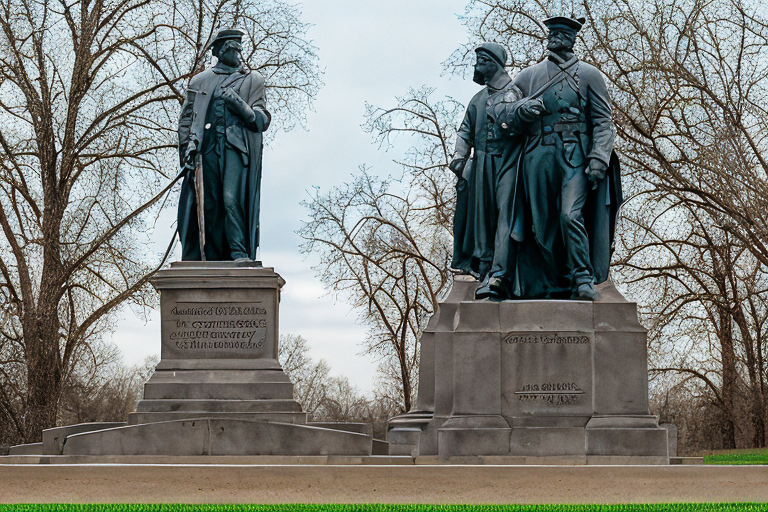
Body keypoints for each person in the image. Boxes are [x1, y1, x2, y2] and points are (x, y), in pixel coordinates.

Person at [450, 16, 622, 300]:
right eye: (552, 33)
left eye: (562, 33)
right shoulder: (528, 76)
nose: (556, 38)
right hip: (536, 158)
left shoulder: (590, 75)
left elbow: (604, 121)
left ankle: (581, 277)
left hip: (574, 156)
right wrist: (522, 110)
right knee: (542, 229)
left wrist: (599, 158)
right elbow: (503, 113)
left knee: (570, 215)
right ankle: (556, 279)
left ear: (572, 39)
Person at [177, 28, 271, 261]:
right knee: (209, 203)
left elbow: (261, 119)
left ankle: (238, 252)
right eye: (231, 48)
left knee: (231, 199)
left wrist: (240, 105)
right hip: (206, 149)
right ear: (219, 51)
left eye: (239, 48)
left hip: (235, 148)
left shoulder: (252, 80)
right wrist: (187, 147)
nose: (237, 52)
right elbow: (187, 119)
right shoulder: (200, 81)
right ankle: (208, 255)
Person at [448, 42, 526, 299]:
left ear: (494, 62)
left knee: (505, 215)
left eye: (482, 59)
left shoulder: (516, 92)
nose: (476, 64)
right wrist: (460, 156)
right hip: (481, 164)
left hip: (508, 162)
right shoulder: (478, 99)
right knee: (480, 219)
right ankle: (483, 269)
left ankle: (500, 273)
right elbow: (465, 130)